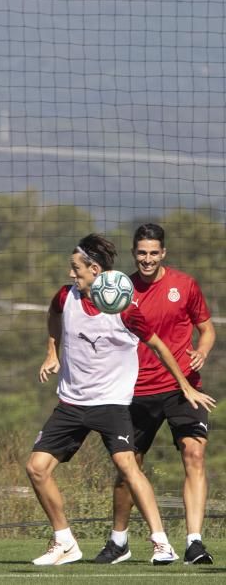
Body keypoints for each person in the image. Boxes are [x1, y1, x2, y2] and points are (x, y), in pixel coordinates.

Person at [28, 234, 216, 567]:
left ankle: (164, 543)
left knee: (131, 467)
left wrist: (185, 385)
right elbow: (53, 314)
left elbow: (159, 345)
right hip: (71, 403)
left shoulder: (124, 307)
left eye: (76, 268)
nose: (71, 274)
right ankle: (66, 540)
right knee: (36, 468)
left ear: (95, 268)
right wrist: (50, 353)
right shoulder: (65, 296)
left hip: (112, 402)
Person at [96, 224, 217, 565]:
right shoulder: (119, 289)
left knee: (194, 453)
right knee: (127, 469)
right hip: (135, 391)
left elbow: (206, 329)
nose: (147, 259)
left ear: (163, 253)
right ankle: (119, 540)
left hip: (184, 387)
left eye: (153, 253)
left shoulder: (185, 285)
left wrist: (203, 351)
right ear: (134, 254)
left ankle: (194, 542)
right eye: (141, 253)